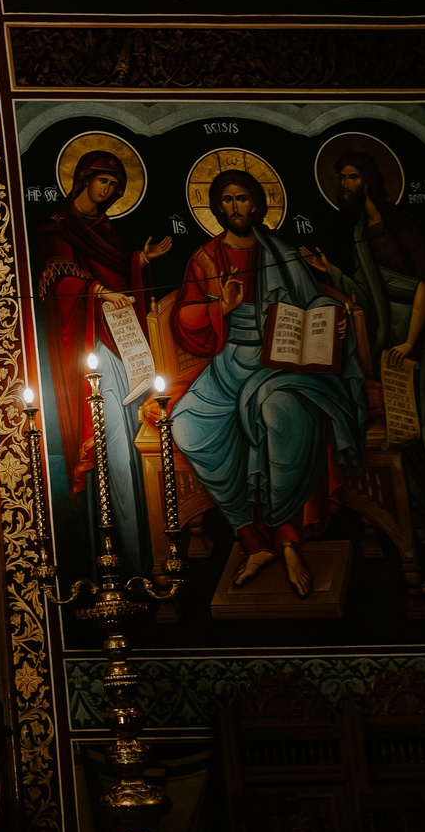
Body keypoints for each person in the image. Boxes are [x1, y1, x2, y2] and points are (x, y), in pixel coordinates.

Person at [311, 145, 425, 608]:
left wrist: (412, 343)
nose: (347, 186)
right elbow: (366, 295)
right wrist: (328, 271)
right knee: (409, 449)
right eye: (343, 179)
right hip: (391, 347)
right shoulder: (359, 233)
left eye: (354, 176)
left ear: (372, 180)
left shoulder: (403, 225)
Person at [168, 169, 365, 598]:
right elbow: (184, 318)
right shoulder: (204, 258)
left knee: (279, 412)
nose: (235, 208)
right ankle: (253, 541)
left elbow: (310, 299)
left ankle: (288, 540)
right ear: (217, 208)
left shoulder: (281, 252)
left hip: (282, 360)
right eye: (226, 201)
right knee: (185, 424)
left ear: (257, 205)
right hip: (229, 364)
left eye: (242, 199)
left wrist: (331, 321)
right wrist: (221, 305)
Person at [34, 148, 171, 571]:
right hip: (90, 348)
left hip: (124, 343)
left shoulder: (107, 231)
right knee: (112, 447)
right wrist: (96, 293)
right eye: (103, 181)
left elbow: (118, 276)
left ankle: (149, 553)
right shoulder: (57, 226)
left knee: (134, 445)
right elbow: (58, 283)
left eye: (115, 184)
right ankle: (124, 559)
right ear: (84, 178)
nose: (108, 190)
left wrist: (140, 262)